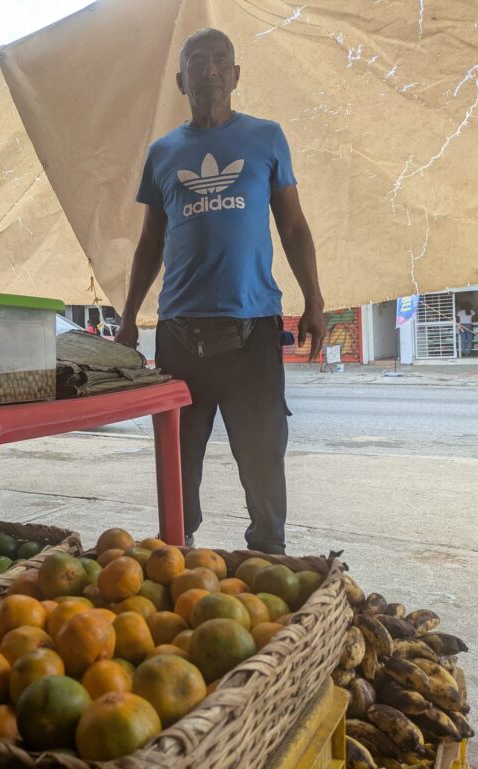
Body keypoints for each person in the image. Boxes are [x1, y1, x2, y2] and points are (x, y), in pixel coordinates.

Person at [115, 28, 325, 554]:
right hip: (179, 337)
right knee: (179, 462)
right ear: (181, 79)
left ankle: (268, 555)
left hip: (252, 332)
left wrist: (315, 302)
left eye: (220, 61)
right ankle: (178, 555)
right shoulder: (164, 152)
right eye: (197, 62)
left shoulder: (265, 137)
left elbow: (294, 227)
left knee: (262, 459)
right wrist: (126, 318)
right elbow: (149, 242)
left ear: (235, 75)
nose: (209, 70)